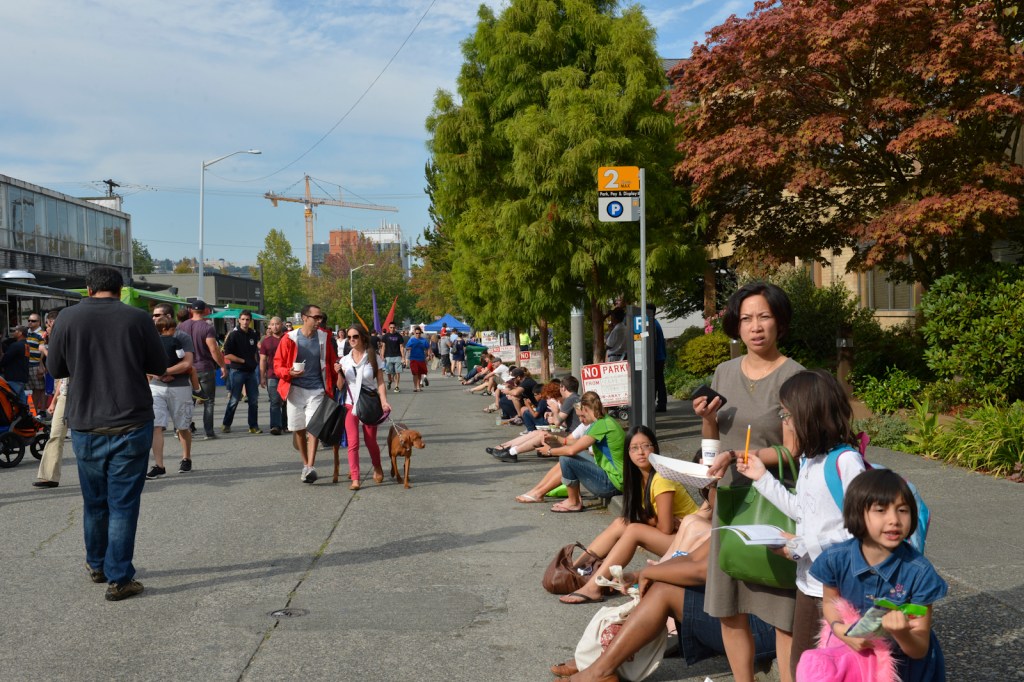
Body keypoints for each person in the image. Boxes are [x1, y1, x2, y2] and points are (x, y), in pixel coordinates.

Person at [555, 482, 777, 681]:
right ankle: (599, 662)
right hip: (745, 615)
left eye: (710, 487)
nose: (707, 495)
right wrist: (641, 574)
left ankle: (599, 669)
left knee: (662, 591)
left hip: (761, 628)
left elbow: (700, 571)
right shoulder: (734, 518)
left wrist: (649, 574)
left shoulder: (746, 521)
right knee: (660, 585)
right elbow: (691, 558)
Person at [699, 281, 804, 682]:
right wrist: (708, 420)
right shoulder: (723, 373)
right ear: (735, 325)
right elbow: (713, 444)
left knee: (783, 615)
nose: (755, 326)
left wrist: (747, 458)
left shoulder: (795, 377)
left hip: (774, 502)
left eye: (764, 316)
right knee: (729, 607)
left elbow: (793, 452)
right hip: (729, 500)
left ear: (779, 322)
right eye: (746, 318)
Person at [46, 266, 166, 601]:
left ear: (87, 290)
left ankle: (97, 564)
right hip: (131, 420)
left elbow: (55, 368)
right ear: (120, 289)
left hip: (86, 421)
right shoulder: (138, 319)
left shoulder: (68, 318)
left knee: (94, 501)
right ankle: (119, 577)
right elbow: (158, 365)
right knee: (123, 503)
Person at [735, 369, 866, 675]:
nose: (784, 420)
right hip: (810, 584)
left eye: (786, 412)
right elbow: (801, 510)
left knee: (814, 668)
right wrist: (762, 477)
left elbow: (859, 530)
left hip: (837, 590)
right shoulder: (809, 460)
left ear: (809, 414)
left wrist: (799, 548)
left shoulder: (846, 462)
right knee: (807, 666)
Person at [810, 469, 948, 681]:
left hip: (906, 667)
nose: (894, 519)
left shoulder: (920, 573)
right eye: (881, 510)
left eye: (902, 510)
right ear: (857, 514)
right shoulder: (835, 559)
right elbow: (829, 602)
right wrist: (839, 630)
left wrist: (902, 633)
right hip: (854, 660)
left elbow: (920, 647)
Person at [559, 426, 700, 604]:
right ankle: (574, 572)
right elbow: (655, 520)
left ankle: (593, 588)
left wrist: (656, 520)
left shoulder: (661, 478)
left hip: (693, 545)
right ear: (628, 453)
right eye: (634, 448)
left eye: (646, 446)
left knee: (633, 530)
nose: (640, 452)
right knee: (622, 522)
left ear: (654, 448)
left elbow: (665, 528)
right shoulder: (638, 478)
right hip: (677, 537)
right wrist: (655, 519)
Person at [517, 391, 624, 512]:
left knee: (566, 458)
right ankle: (537, 491)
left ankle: (573, 502)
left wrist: (549, 451)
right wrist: (555, 438)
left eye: (581, 416)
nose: (581, 420)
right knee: (570, 456)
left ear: (587, 410)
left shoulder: (601, 425)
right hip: (615, 478)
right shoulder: (605, 421)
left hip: (612, 483)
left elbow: (572, 450)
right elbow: (578, 445)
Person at [273, 304, 339, 484]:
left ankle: (310, 466)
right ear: (304, 317)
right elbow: (277, 366)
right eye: (315, 317)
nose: (319, 321)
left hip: (317, 389)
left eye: (320, 318)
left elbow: (332, 362)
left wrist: (338, 374)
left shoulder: (325, 338)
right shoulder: (289, 339)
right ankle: (305, 463)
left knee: (313, 427)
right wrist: (288, 372)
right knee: (299, 429)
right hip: (294, 389)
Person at [336, 325, 392, 490]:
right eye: (349, 337)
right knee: (353, 443)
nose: (352, 340)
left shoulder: (372, 358)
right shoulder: (345, 360)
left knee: (370, 441)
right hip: (350, 404)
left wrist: (384, 402)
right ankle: (355, 478)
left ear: (363, 338)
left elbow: (380, 382)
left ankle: (377, 466)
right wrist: (338, 372)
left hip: (369, 403)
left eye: (355, 336)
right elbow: (340, 387)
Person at [488, 376, 580, 463]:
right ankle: (503, 447)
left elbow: (557, 422)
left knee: (542, 435)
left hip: (572, 438)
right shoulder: (575, 398)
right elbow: (570, 422)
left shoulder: (570, 399)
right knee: (537, 432)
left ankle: (511, 452)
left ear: (563, 388)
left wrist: (555, 410)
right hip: (572, 435)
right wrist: (554, 413)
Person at [145, 316, 194, 478]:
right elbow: (143, 363)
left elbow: (187, 363)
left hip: (179, 387)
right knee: (156, 425)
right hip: (156, 388)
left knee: (182, 426)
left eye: (157, 315)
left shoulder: (182, 337)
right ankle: (159, 465)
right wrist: (158, 374)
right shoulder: (150, 339)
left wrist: (164, 372)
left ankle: (186, 457)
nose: (154, 318)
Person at [179, 300, 227, 440]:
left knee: (188, 401)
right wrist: (223, 366)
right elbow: (213, 349)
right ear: (205, 310)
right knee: (208, 401)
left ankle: (184, 430)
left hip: (186, 368)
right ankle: (208, 432)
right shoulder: (207, 327)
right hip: (205, 367)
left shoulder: (181, 326)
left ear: (191, 310)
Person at [221, 310, 262, 434]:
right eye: (243, 319)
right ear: (239, 320)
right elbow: (227, 354)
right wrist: (243, 360)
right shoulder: (233, 335)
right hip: (237, 371)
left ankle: (253, 426)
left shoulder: (253, 334)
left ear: (250, 321)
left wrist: (255, 363)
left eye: (247, 319)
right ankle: (226, 424)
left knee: (253, 400)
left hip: (251, 372)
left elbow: (255, 351)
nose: (245, 322)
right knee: (234, 400)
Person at [259, 316, 287, 435]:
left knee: (286, 402)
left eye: (277, 324)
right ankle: (275, 426)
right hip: (272, 375)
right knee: (275, 401)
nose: (275, 326)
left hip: (287, 374)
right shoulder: (266, 341)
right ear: (269, 326)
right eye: (272, 324)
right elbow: (263, 360)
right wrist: (262, 376)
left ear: (282, 325)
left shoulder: (288, 338)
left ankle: (286, 425)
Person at [0, 325, 30, 400]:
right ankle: (24, 412)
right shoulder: (26, 345)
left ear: (20, 333)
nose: (13, 333)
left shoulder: (16, 345)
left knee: (11, 399)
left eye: (15, 331)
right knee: (21, 401)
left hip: (14, 377)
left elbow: (5, 359)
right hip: (22, 377)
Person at [25, 312, 46, 413]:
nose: (30, 322)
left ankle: (35, 411)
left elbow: (42, 350)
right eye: (29, 320)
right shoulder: (26, 332)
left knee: (38, 389)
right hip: (26, 365)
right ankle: (32, 411)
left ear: (38, 322)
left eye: (33, 321)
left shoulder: (41, 334)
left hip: (35, 365)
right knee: (29, 391)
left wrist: (40, 366)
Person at [380, 322, 406, 393]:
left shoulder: (399, 336)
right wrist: (382, 355)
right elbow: (383, 346)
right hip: (388, 356)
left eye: (394, 327)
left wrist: (403, 357)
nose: (392, 329)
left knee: (398, 372)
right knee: (389, 371)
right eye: (391, 327)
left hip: (397, 355)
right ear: (389, 328)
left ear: (396, 328)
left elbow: (401, 347)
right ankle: (390, 380)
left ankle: (396, 386)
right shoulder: (385, 336)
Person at [404, 326, 430, 392]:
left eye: (419, 333)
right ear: (414, 333)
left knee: (419, 373)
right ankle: (415, 387)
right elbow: (407, 347)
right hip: (413, 358)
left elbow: (428, 348)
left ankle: (418, 386)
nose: (418, 334)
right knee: (415, 373)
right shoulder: (412, 340)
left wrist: (428, 355)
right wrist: (409, 348)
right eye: (417, 333)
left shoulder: (424, 340)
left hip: (421, 359)